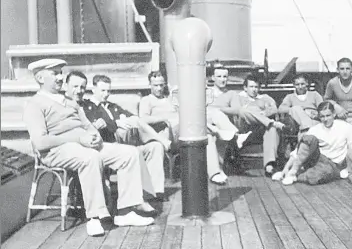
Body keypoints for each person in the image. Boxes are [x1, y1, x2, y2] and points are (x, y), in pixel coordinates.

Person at [22, 59, 155, 237]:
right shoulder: (35, 105)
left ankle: (125, 212)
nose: (61, 77)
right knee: (90, 157)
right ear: (39, 77)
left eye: (61, 72)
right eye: (55, 73)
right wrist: (78, 138)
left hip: (84, 145)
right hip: (56, 150)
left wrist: (94, 137)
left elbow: (88, 126)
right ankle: (95, 217)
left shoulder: (70, 102)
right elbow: (40, 142)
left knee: (129, 153)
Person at [65, 72, 167, 200]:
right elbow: (98, 125)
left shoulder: (112, 106)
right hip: (107, 145)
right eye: (102, 90)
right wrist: (116, 123)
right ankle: (130, 203)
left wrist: (124, 121)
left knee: (155, 147)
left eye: (108, 91)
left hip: (125, 142)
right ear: (93, 89)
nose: (106, 94)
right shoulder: (89, 106)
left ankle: (154, 192)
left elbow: (132, 117)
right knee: (128, 148)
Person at [138, 71, 228, 185]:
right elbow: (143, 120)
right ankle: (219, 131)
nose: (159, 88)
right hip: (167, 134)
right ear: (149, 85)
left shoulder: (170, 98)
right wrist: (164, 117)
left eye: (162, 85)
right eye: (155, 85)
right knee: (196, 125)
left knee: (207, 136)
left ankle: (215, 172)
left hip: (181, 131)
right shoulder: (146, 100)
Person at [281, 101, 352, 185]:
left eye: (328, 115)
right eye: (322, 116)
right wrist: (286, 167)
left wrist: (349, 169)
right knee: (308, 138)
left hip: (333, 164)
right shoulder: (315, 129)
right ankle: (293, 171)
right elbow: (297, 151)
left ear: (334, 114)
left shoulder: (346, 127)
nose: (325, 119)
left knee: (314, 177)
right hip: (318, 159)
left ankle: (298, 176)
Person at [228, 74, 285, 177]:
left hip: (261, 129)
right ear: (245, 88)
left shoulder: (264, 97)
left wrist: (263, 114)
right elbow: (237, 111)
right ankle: (271, 123)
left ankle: (269, 165)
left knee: (271, 129)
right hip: (244, 129)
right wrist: (257, 111)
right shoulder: (238, 97)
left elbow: (274, 108)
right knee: (244, 110)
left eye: (256, 87)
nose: (254, 90)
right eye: (251, 87)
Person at [278, 73, 324, 138]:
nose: (300, 87)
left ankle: (306, 132)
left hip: (314, 121)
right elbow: (281, 109)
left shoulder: (314, 94)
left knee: (303, 133)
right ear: (294, 85)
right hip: (298, 123)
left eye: (302, 84)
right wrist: (302, 111)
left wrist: (313, 114)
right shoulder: (290, 97)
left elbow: (323, 108)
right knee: (296, 108)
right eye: (297, 84)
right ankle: (308, 129)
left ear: (307, 83)